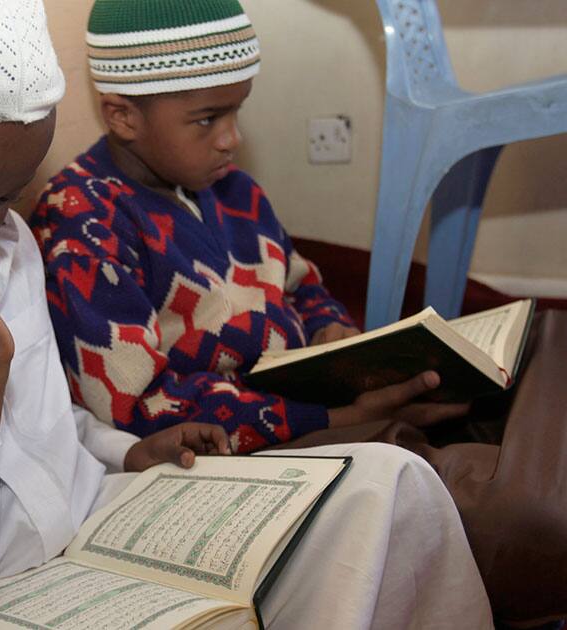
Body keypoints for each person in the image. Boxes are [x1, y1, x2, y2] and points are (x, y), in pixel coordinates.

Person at [0, 0, 492, 628]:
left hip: (89, 522)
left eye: (4, 199)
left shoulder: (6, 239)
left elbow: (48, 427)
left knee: (385, 485)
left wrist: (126, 451)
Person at [30, 0, 567, 624]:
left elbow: (299, 280)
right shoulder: (82, 220)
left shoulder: (234, 191)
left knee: (549, 338)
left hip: (323, 393)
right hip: (258, 445)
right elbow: (138, 406)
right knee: (514, 503)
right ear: (123, 114)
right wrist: (336, 412)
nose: (232, 138)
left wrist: (333, 328)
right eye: (207, 119)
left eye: (237, 110)